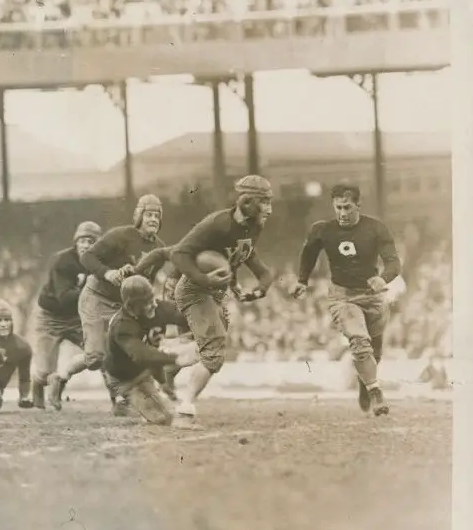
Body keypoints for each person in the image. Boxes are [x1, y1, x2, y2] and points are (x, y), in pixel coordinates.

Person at [168, 175, 276, 430]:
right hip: (194, 290)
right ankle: (184, 410)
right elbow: (178, 254)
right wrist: (203, 277)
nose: (270, 209)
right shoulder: (217, 223)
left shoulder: (253, 226)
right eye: (265, 202)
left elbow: (248, 262)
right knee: (214, 352)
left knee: (206, 349)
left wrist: (256, 288)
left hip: (215, 292)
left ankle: (163, 367)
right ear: (247, 202)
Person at [48, 194, 171, 414]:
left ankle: (121, 400)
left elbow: (147, 282)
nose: (153, 219)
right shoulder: (120, 235)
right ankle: (60, 377)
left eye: (157, 216)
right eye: (149, 214)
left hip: (122, 304)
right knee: (95, 357)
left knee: (125, 353)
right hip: (96, 296)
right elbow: (88, 258)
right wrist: (108, 273)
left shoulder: (159, 249)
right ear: (139, 216)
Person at [290, 183, 400, 415]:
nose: (342, 213)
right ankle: (376, 392)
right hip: (343, 296)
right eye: (338, 207)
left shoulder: (375, 228)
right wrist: (302, 280)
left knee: (374, 351)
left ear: (358, 204)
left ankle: (365, 383)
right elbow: (309, 252)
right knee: (360, 343)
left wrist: (383, 278)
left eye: (347, 207)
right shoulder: (323, 229)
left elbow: (393, 262)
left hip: (373, 295)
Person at [29, 221, 102, 410]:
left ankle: (118, 400)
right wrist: (94, 292)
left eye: (91, 242)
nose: (86, 245)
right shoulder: (62, 261)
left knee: (99, 353)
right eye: (83, 241)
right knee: (45, 371)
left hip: (78, 318)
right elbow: (64, 297)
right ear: (76, 242)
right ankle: (37, 383)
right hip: (51, 318)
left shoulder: (100, 264)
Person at [104, 276, 185, 425]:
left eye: (152, 298)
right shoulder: (122, 325)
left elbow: (186, 315)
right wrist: (176, 357)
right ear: (132, 306)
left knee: (167, 416)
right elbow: (141, 355)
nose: (153, 304)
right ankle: (124, 400)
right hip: (123, 379)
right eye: (146, 302)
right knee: (159, 419)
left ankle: (134, 402)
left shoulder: (159, 308)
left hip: (144, 371)